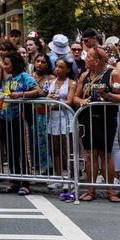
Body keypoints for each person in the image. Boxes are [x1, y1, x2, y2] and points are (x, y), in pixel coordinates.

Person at [73, 47, 120, 202]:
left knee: (106, 154)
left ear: (97, 60)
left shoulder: (113, 74)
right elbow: (75, 97)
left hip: (106, 118)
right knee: (90, 155)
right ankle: (91, 190)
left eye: (89, 57)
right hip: (87, 119)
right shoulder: (85, 75)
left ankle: (110, 191)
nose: (86, 59)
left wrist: (109, 95)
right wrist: (82, 101)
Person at [0, 52, 37, 195]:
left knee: (22, 151)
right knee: (11, 151)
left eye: (6, 64)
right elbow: (0, 93)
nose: (4, 66)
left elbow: (37, 91)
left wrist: (21, 95)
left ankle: (25, 183)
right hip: (6, 118)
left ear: (15, 64)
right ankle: (14, 180)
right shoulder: (8, 79)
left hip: (21, 118)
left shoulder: (25, 77)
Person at [42, 58, 75, 200]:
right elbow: (46, 97)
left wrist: (57, 101)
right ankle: (58, 176)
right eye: (57, 66)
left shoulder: (72, 83)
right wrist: (50, 98)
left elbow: (69, 100)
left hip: (65, 116)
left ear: (68, 69)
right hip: (53, 117)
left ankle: (70, 178)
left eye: (61, 67)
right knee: (55, 149)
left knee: (67, 149)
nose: (58, 69)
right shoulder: (51, 82)